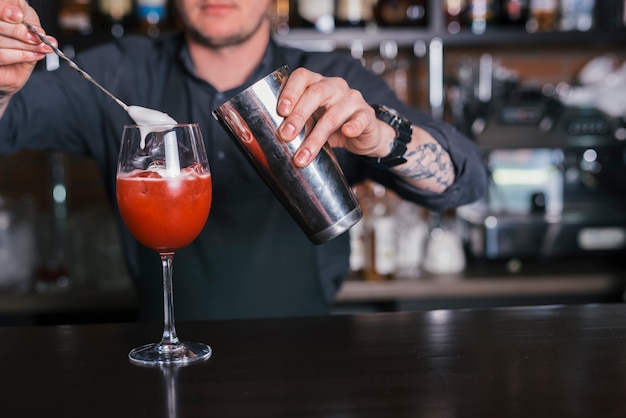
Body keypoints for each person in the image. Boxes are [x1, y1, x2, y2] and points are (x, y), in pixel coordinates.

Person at [0, 0, 487, 321]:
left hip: (304, 360)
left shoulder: (330, 79)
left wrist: (380, 134)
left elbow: (467, 181)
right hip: (163, 363)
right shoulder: (119, 70)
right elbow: (10, 123)